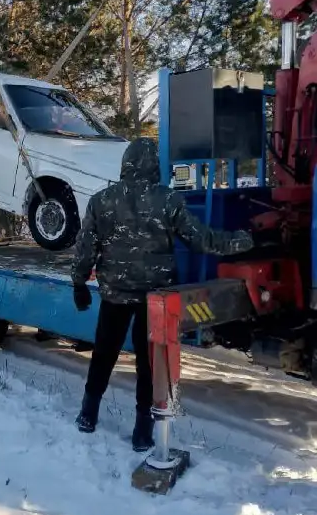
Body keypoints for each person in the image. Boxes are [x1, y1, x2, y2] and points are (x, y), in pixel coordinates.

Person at [71, 137, 253, 451]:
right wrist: (242, 241)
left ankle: (88, 414)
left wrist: (78, 283)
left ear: (126, 163)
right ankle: (142, 433)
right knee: (148, 365)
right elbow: (202, 240)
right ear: (155, 165)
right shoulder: (168, 200)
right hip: (155, 299)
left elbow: (86, 248)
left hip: (115, 294)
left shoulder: (102, 200)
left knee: (103, 354)